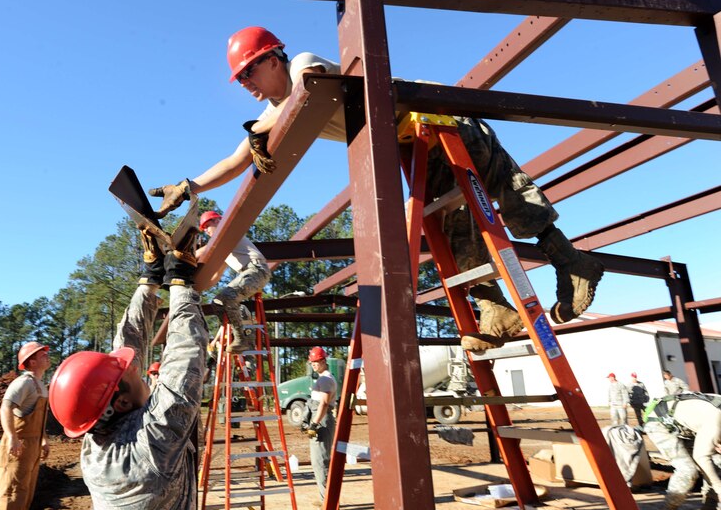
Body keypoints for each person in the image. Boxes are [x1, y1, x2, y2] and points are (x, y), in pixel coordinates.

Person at [148, 26, 604, 354]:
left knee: (508, 190)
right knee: (454, 230)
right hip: (416, 139)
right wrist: (189, 186)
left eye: (249, 72)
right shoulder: (271, 113)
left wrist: (258, 129)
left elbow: (307, 85)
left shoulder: (303, 64)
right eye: (241, 79)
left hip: (442, 117)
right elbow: (236, 161)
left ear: (274, 59)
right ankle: (495, 310)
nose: (245, 84)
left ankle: (572, 262)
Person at [48, 226, 208, 509]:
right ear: (120, 403)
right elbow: (184, 363)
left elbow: (125, 350)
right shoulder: (150, 448)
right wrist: (180, 284)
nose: (134, 366)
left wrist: (149, 282)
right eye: (127, 371)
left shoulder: (95, 445)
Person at [196, 210, 270, 352]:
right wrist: (199, 288)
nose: (206, 231)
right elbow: (216, 276)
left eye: (206, 226)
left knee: (228, 297)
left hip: (257, 270)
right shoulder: (225, 248)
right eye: (203, 229)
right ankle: (233, 332)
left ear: (217, 221)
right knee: (217, 302)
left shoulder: (227, 232)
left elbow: (205, 251)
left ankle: (242, 339)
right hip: (249, 273)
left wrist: (181, 257)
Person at [0, 341, 51, 510]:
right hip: (18, 445)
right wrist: (12, 437)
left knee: (25, 492)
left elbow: (38, 418)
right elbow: (5, 407)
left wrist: (43, 440)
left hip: (32, 446)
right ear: (32, 362)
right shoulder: (23, 383)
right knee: (12, 491)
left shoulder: (40, 385)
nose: (47, 357)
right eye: (43, 355)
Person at [643, 392, 721, 509]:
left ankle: (710, 506)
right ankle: (669, 508)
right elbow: (701, 457)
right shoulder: (716, 421)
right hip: (661, 423)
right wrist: (718, 487)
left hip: (688, 428)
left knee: (717, 465)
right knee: (688, 470)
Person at [302, 346, 337, 506]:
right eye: (312, 362)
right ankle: (326, 498)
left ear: (324, 361)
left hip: (322, 422)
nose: (314, 365)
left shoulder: (325, 379)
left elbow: (323, 404)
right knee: (320, 461)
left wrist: (314, 424)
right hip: (321, 420)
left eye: (317, 362)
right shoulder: (324, 378)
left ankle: (327, 502)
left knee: (320, 462)